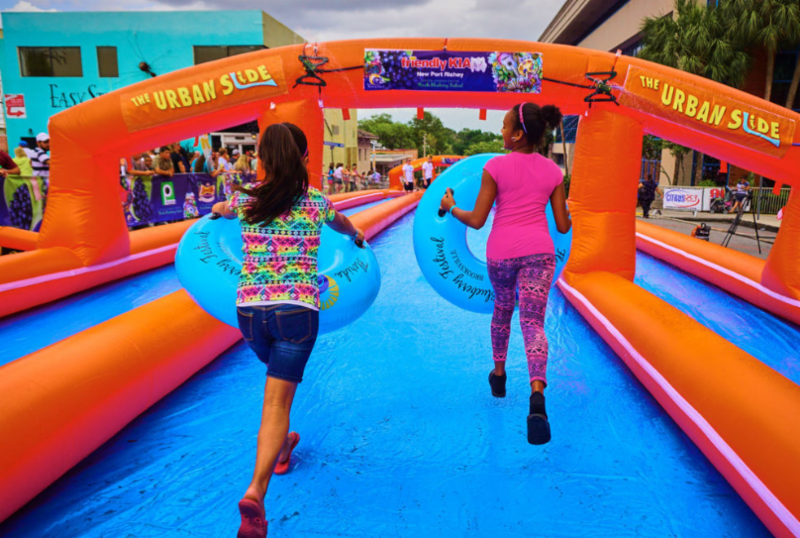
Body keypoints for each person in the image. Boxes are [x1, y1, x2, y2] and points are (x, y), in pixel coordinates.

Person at [210, 122, 364, 538]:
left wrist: (218, 210)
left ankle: (282, 449)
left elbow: (221, 210)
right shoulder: (315, 201)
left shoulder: (245, 199)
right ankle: (256, 490)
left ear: (261, 158)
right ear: (304, 157)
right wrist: (356, 235)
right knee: (276, 401)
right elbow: (343, 224)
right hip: (295, 311)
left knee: (276, 392)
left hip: (250, 314)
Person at [439, 102, 571, 445]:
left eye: (503, 126)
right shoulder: (553, 172)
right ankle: (537, 397)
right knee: (533, 323)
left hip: (502, 253)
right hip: (540, 253)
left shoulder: (496, 167)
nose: (501, 131)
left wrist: (450, 207)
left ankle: (499, 376)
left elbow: (477, 220)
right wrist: (568, 213)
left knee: (502, 310)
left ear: (516, 135)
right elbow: (562, 225)